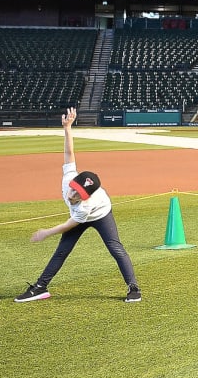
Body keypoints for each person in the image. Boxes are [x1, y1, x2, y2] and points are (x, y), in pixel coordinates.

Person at [16, 107, 141, 304]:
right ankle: (40, 287)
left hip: (101, 214)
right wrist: (67, 128)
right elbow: (69, 152)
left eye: (78, 195)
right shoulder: (69, 178)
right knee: (62, 250)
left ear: (86, 196)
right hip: (82, 215)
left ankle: (133, 287)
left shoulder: (85, 206)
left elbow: (69, 225)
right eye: (74, 189)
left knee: (115, 248)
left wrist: (46, 232)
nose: (72, 195)